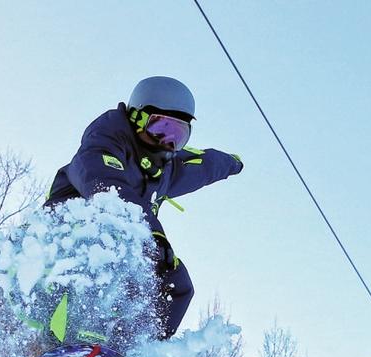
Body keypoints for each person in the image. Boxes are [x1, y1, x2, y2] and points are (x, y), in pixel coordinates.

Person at [44, 76, 243, 342]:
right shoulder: (103, 144)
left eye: (178, 135)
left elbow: (202, 165)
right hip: (65, 237)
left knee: (177, 284)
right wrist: (152, 236)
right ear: (137, 117)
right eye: (160, 128)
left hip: (130, 237)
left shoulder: (165, 168)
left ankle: (142, 354)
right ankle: (82, 340)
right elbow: (109, 191)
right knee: (108, 249)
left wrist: (232, 163)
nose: (167, 141)